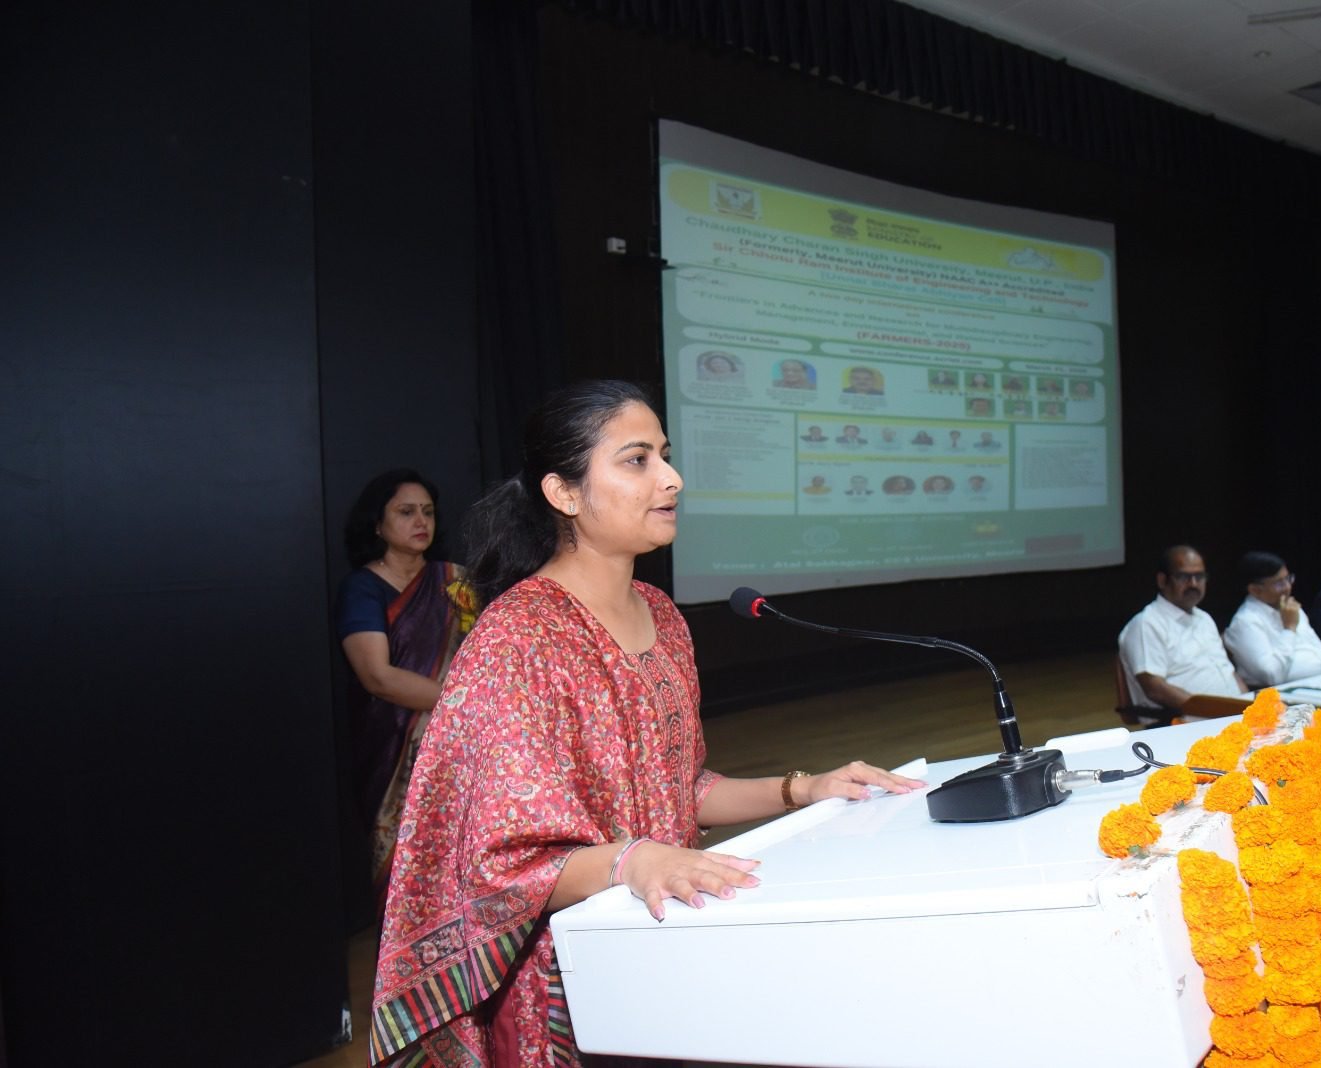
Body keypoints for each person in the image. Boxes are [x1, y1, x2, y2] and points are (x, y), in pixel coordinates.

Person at [370, 382, 921, 1066]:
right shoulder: (518, 638)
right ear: (564, 493)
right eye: (637, 460)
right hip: (568, 988)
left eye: (665, 455)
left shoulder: (661, 613)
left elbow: (677, 791)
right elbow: (501, 867)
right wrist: (633, 860)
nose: (671, 478)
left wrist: (803, 790)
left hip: (664, 951)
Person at [335, 469, 476, 906]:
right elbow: (377, 676)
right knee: (406, 875)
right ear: (377, 524)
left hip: (464, 746)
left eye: (428, 512)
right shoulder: (364, 588)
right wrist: (466, 703)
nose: (421, 522)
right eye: (406, 512)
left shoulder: (456, 582)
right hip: (392, 747)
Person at [1117, 545, 1244, 718]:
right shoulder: (1147, 624)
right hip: (1188, 721)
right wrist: (1215, 711)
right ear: (1162, 581)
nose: (1193, 584)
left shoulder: (1204, 618)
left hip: (1231, 715)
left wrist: (1247, 703)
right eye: (1184, 577)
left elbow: (1228, 670)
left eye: (1199, 576)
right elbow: (1155, 689)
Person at [1223, 551, 1321, 688]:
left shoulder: (1290, 607)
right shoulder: (1245, 622)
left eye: (1288, 579)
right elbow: (1272, 675)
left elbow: (1319, 654)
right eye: (1279, 584)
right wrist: (1289, 629)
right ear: (1255, 590)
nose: (1288, 587)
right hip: (1278, 692)